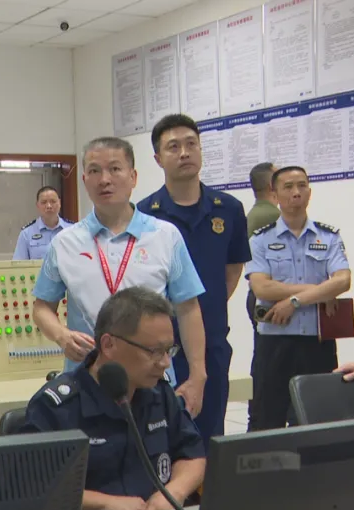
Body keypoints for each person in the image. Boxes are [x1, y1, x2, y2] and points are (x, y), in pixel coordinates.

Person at [31, 136, 208, 417]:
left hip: (152, 381)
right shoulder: (64, 243)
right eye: (94, 171)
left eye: (115, 169)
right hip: (87, 382)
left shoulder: (165, 236)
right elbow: (42, 307)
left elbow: (188, 308)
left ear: (133, 177)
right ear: (84, 180)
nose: (104, 180)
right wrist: (61, 335)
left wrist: (198, 375)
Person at [20, 287, 206, 510]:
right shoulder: (57, 407)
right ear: (108, 345)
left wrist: (173, 493)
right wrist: (103, 504)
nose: (165, 363)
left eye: (169, 350)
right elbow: (30, 485)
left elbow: (193, 455)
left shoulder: (159, 393)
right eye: (154, 351)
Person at [136, 114, 251, 444]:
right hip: (158, 345)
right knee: (159, 435)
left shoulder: (228, 209)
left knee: (210, 434)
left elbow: (232, 270)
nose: (184, 152)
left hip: (212, 342)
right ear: (158, 158)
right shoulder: (144, 214)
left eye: (191, 144)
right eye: (173, 147)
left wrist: (201, 313)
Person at [246, 166, 351, 430]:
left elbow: (342, 280)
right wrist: (318, 290)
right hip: (274, 342)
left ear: (309, 192)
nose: (296, 192)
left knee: (319, 419)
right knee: (266, 419)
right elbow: (262, 288)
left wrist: (294, 301)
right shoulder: (261, 239)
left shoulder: (328, 237)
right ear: (274, 194)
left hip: (317, 343)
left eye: (302, 185)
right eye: (289, 187)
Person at [244, 162, 279, 431]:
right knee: (271, 366)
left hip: (256, 296)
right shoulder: (272, 216)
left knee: (264, 360)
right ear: (271, 185)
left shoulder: (254, 214)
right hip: (270, 298)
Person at [14, 186, 72, 260]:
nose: (49, 206)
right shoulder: (26, 234)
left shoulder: (73, 230)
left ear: (59, 203)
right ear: (37, 205)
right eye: (44, 202)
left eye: (53, 201)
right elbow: (19, 264)